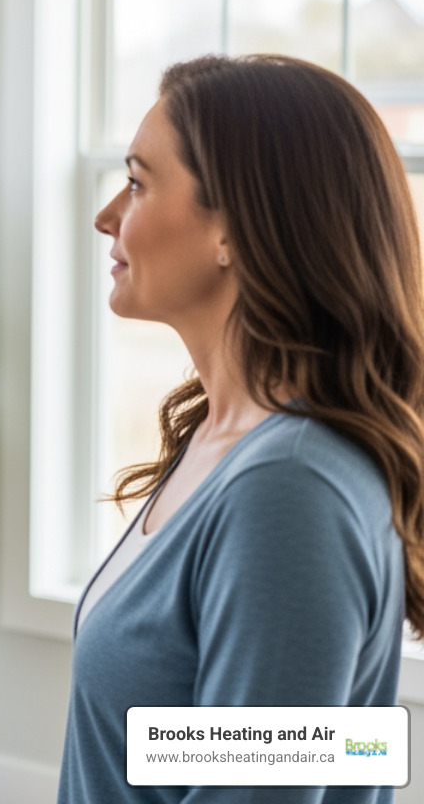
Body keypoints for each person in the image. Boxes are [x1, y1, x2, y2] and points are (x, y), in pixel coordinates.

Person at [58, 54, 424, 803]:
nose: (106, 216)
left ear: (233, 230)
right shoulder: (220, 438)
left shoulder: (290, 488)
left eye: (138, 183)